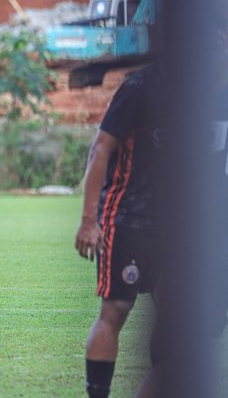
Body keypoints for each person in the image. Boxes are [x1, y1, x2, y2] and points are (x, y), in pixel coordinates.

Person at [74, 65, 162, 398]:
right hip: (128, 218)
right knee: (116, 310)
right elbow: (101, 149)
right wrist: (89, 220)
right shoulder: (140, 86)